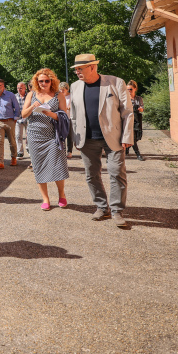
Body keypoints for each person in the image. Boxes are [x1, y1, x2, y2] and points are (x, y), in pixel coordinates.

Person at [70, 54, 133, 227]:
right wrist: (76, 137)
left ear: (92, 67)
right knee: (91, 175)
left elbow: (127, 112)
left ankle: (117, 211)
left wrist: (127, 136)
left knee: (116, 173)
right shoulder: (75, 87)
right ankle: (101, 207)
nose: (77, 72)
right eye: (75, 69)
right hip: (87, 139)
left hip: (114, 137)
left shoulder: (115, 82)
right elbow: (73, 116)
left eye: (80, 69)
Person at [22, 69, 69, 210]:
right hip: (35, 135)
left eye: (46, 81)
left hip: (53, 136)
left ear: (52, 81)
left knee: (58, 165)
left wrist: (50, 113)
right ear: (36, 82)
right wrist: (32, 107)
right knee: (39, 167)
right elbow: (23, 114)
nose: (43, 83)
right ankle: (45, 199)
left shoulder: (58, 95)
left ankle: (62, 195)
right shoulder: (31, 94)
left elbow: (64, 116)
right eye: (40, 81)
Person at [0, 79, 21, 169]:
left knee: (12, 141)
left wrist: (15, 119)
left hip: (9, 121)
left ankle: (14, 158)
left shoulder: (10, 95)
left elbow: (17, 108)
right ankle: (0, 162)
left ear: (2, 86)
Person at [125, 80, 145, 161]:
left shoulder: (139, 98)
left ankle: (127, 148)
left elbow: (142, 108)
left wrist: (140, 109)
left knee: (137, 137)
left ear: (135, 89)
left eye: (130, 89)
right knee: (132, 138)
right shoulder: (125, 98)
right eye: (127, 89)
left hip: (137, 118)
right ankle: (138, 154)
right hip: (128, 119)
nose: (129, 91)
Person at [58, 82, 74, 159]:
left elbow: (72, 105)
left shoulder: (71, 96)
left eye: (63, 90)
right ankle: (62, 150)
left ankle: (69, 151)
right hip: (61, 118)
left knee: (69, 135)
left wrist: (69, 107)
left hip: (69, 117)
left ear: (67, 89)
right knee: (61, 134)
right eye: (60, 90)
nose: (61, 91)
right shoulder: (59, 96)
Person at [15, 82, 29, 158]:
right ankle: (20, 152)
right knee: (18, 136)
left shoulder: (29, 96)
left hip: (28, 119)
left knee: (29, 136)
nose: (19, 89)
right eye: (18, 88)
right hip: (18, 119)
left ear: (25, 88)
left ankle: (28, 148)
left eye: (21, 88)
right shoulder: (14, 97)